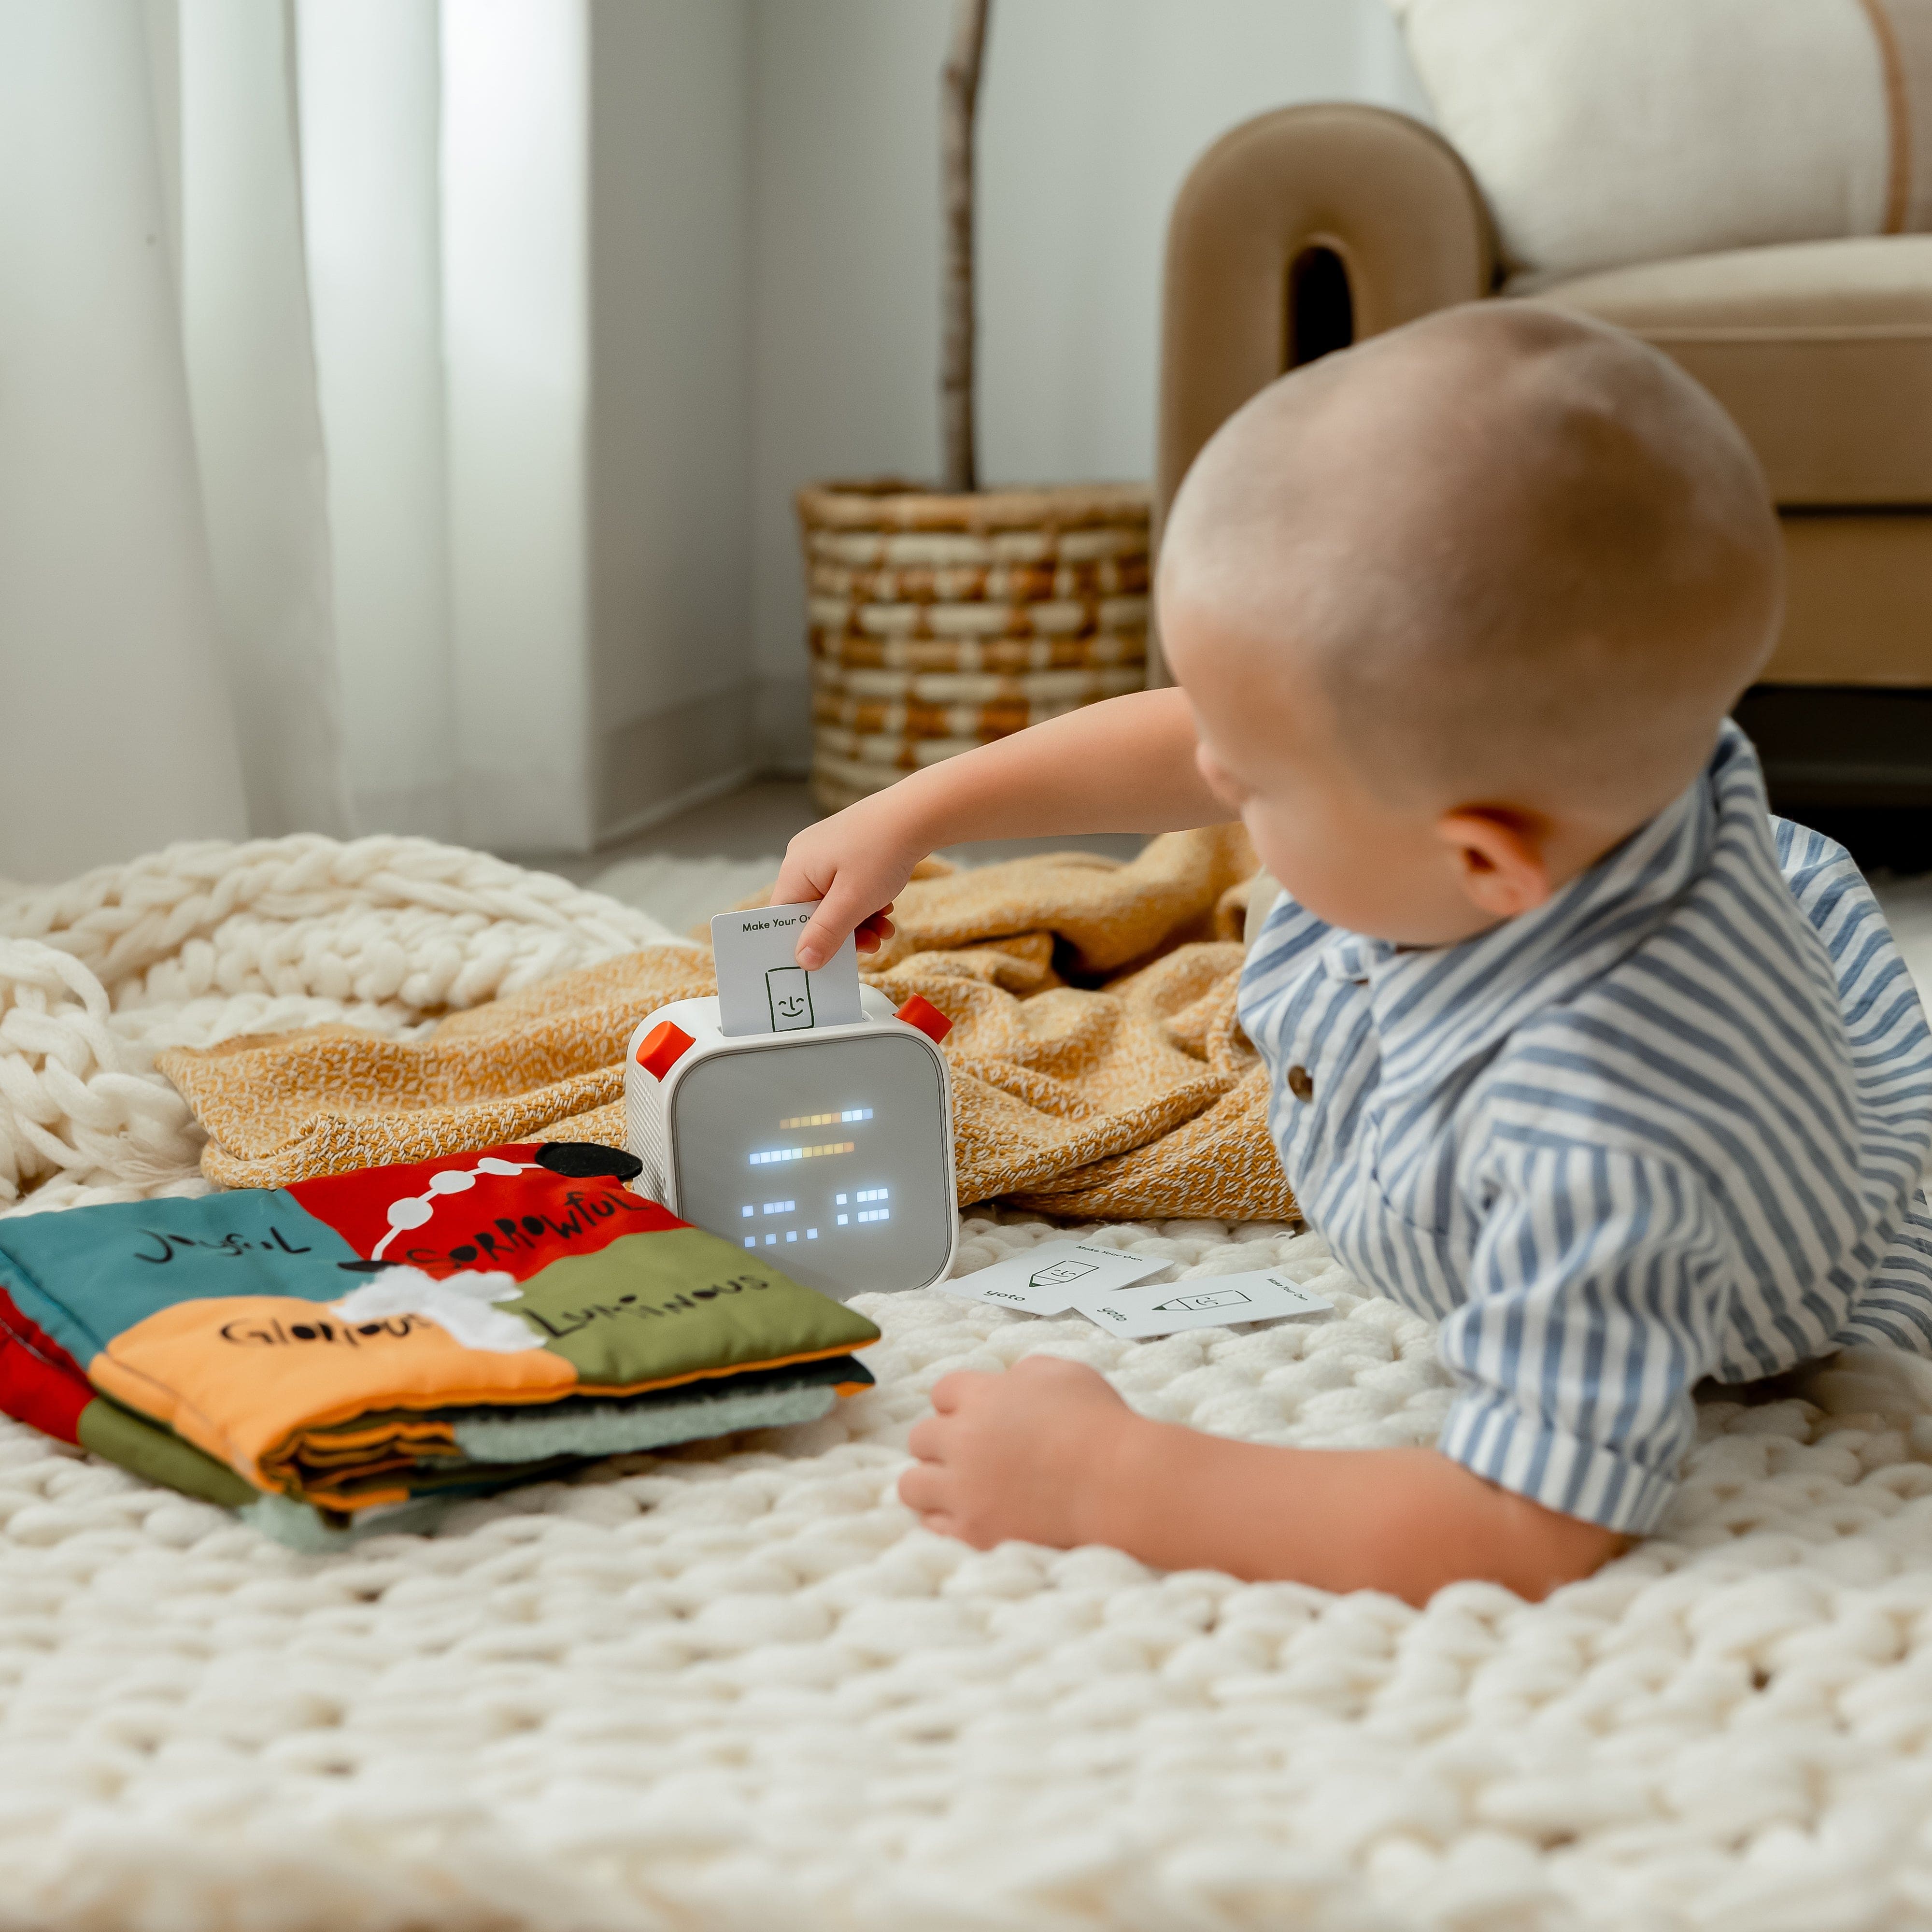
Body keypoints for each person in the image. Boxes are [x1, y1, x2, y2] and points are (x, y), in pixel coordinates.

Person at [770, 304, 1932, 1606]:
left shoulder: (1601, 1138)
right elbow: (1216, 736)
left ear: (1485, 865)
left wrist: (1108, 1480)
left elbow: (1528, 1522)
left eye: (1251, 788)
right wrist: (921, 809)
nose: (1209, 783)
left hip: (1810, 1214)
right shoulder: (1564, 779)